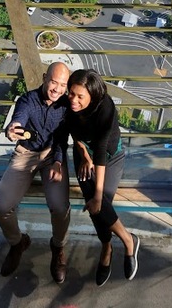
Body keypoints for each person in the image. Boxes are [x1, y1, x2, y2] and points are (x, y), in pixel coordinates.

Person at [0, 61, 71, 284]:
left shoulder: (66, 106)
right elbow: (19, 117)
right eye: (53, 82)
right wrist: (12, 129)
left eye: (62, 85)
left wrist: (57, 161)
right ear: (45, 77)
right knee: (1, 206)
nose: (56, 89)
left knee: (60, 207)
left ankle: (58, 248)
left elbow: (62, 139)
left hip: (52, 155)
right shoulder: (28, 100)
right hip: (26, 154)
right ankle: (18, 243)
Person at [64, 68, 140, 286]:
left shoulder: (105, 108)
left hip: (109, 156)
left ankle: (119, 244)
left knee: (100, 201)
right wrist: (82, 154)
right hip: (84, 155)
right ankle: (120, 242)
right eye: (71, 93)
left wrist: (97, 195)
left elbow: (100, 150)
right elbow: (73, 134)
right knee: (96, 205)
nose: (73, 100)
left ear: (92, 96)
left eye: (80, 97)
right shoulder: (68, 103)